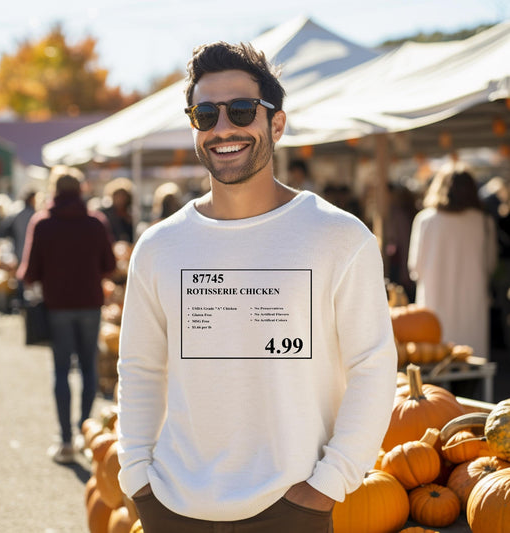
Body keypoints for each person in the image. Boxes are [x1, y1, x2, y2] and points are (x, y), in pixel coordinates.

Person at [117, 42, 397, 533]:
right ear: (195, 128)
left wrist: (328, 485)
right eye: (206, 114)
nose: (223, 127)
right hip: (173, 507)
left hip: (293, 508)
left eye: (241, 110)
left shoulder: (339, 237)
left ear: (277, 124)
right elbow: (139, 369)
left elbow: (373, 368)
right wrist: (137, 477)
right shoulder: (159, 247)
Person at [17, 165, 116, 463]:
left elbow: (29, 272)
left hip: (57, 305)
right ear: (81, 190)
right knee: (89, 368)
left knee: (61, 370)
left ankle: (65, 440)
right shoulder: (95, 223)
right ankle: (86, 433)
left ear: (54, 190)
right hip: (90, 302)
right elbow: (110, 265)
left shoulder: (43, 223)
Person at [408, 163, 498, 358]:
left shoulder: (426, 220)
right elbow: (490, 265)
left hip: (434, 308)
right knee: (473, 367)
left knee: (434, 369)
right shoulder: (483, 222)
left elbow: (415, 267)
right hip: (472, 306)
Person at [100, 177, 134, 243]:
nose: (120, 198)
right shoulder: (105, 214)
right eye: (118, 195)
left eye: (123, 195)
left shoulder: (130, 216)